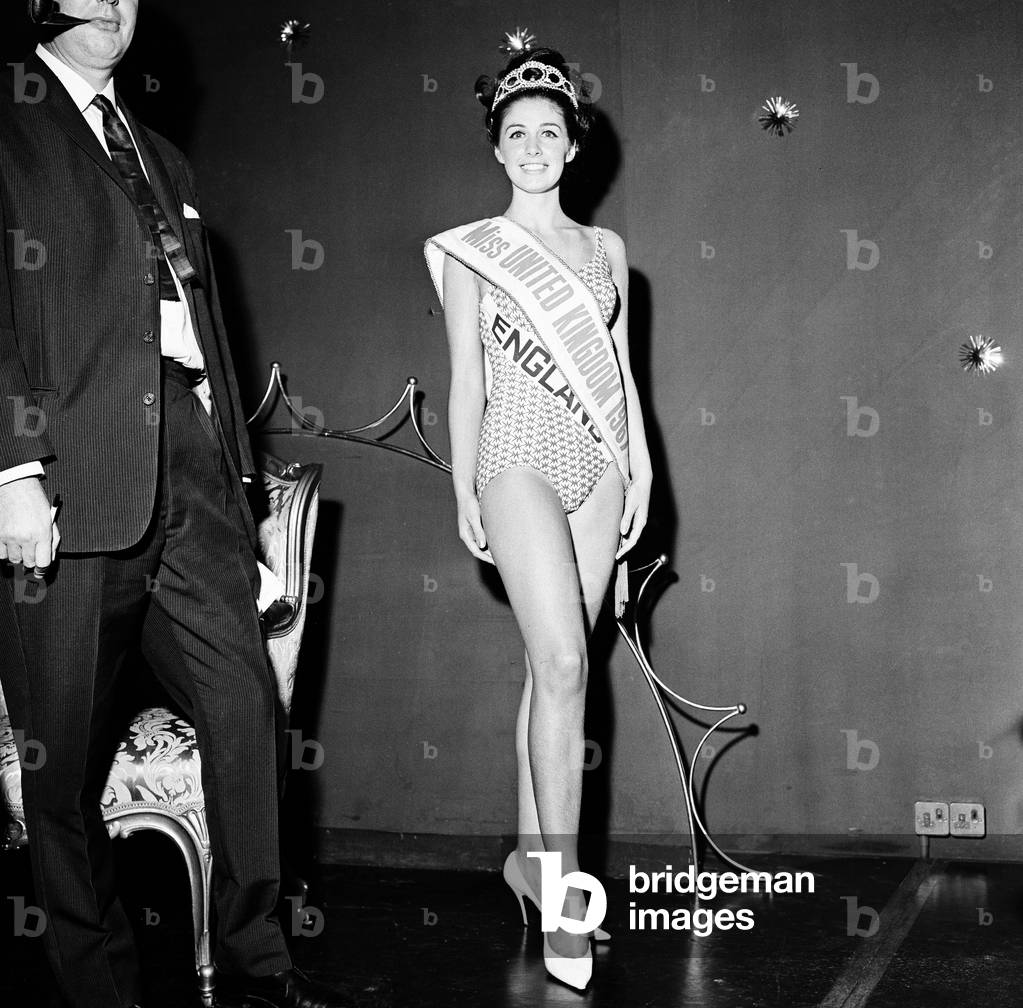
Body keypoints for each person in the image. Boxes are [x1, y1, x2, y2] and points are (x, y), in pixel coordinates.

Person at [0, 3, 355, 1006]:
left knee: (247, 712)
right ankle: (101, 986)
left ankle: (257, 963)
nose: (113, 2)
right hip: (65, 485)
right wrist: (12, 473)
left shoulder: (160, 156)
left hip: (192, 477)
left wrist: (240, 511)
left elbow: (209, 341)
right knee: (58, 773)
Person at [424, 46, 652, 991]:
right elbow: (466, 381)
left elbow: (625, 374)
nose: (530, 146)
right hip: (513, 457)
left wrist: (639, 471)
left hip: (596, 462)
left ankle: (529, 864)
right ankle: (564, 896)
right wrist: (463, 485)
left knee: (555, 673)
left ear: (571, 146)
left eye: (546, 132)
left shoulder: (607, 254)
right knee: (560, 663)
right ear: (498, 146)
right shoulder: (471, 249)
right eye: (513, 132)